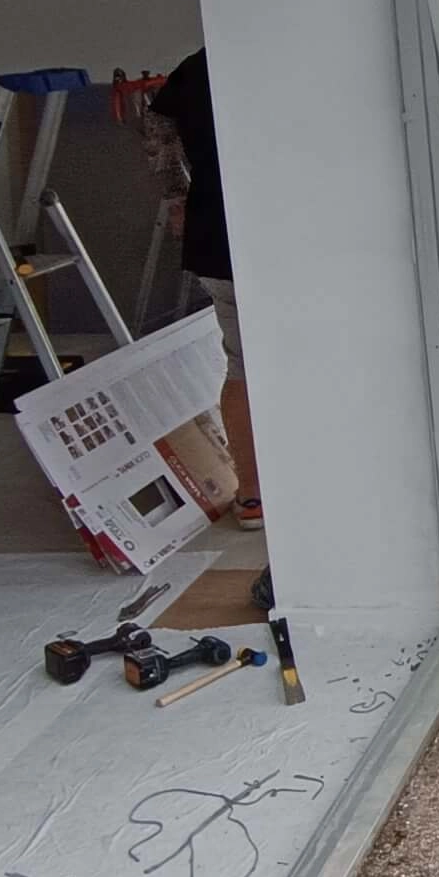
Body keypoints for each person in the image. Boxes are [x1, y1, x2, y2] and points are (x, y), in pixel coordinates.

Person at [140, 49, 262, 529]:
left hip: (218, 234)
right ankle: (298, 485)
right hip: (285, 238)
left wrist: (176, 196)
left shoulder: (201, 63)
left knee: (244, 364)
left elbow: (157, 124)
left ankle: (253, 496)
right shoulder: (295, 47)